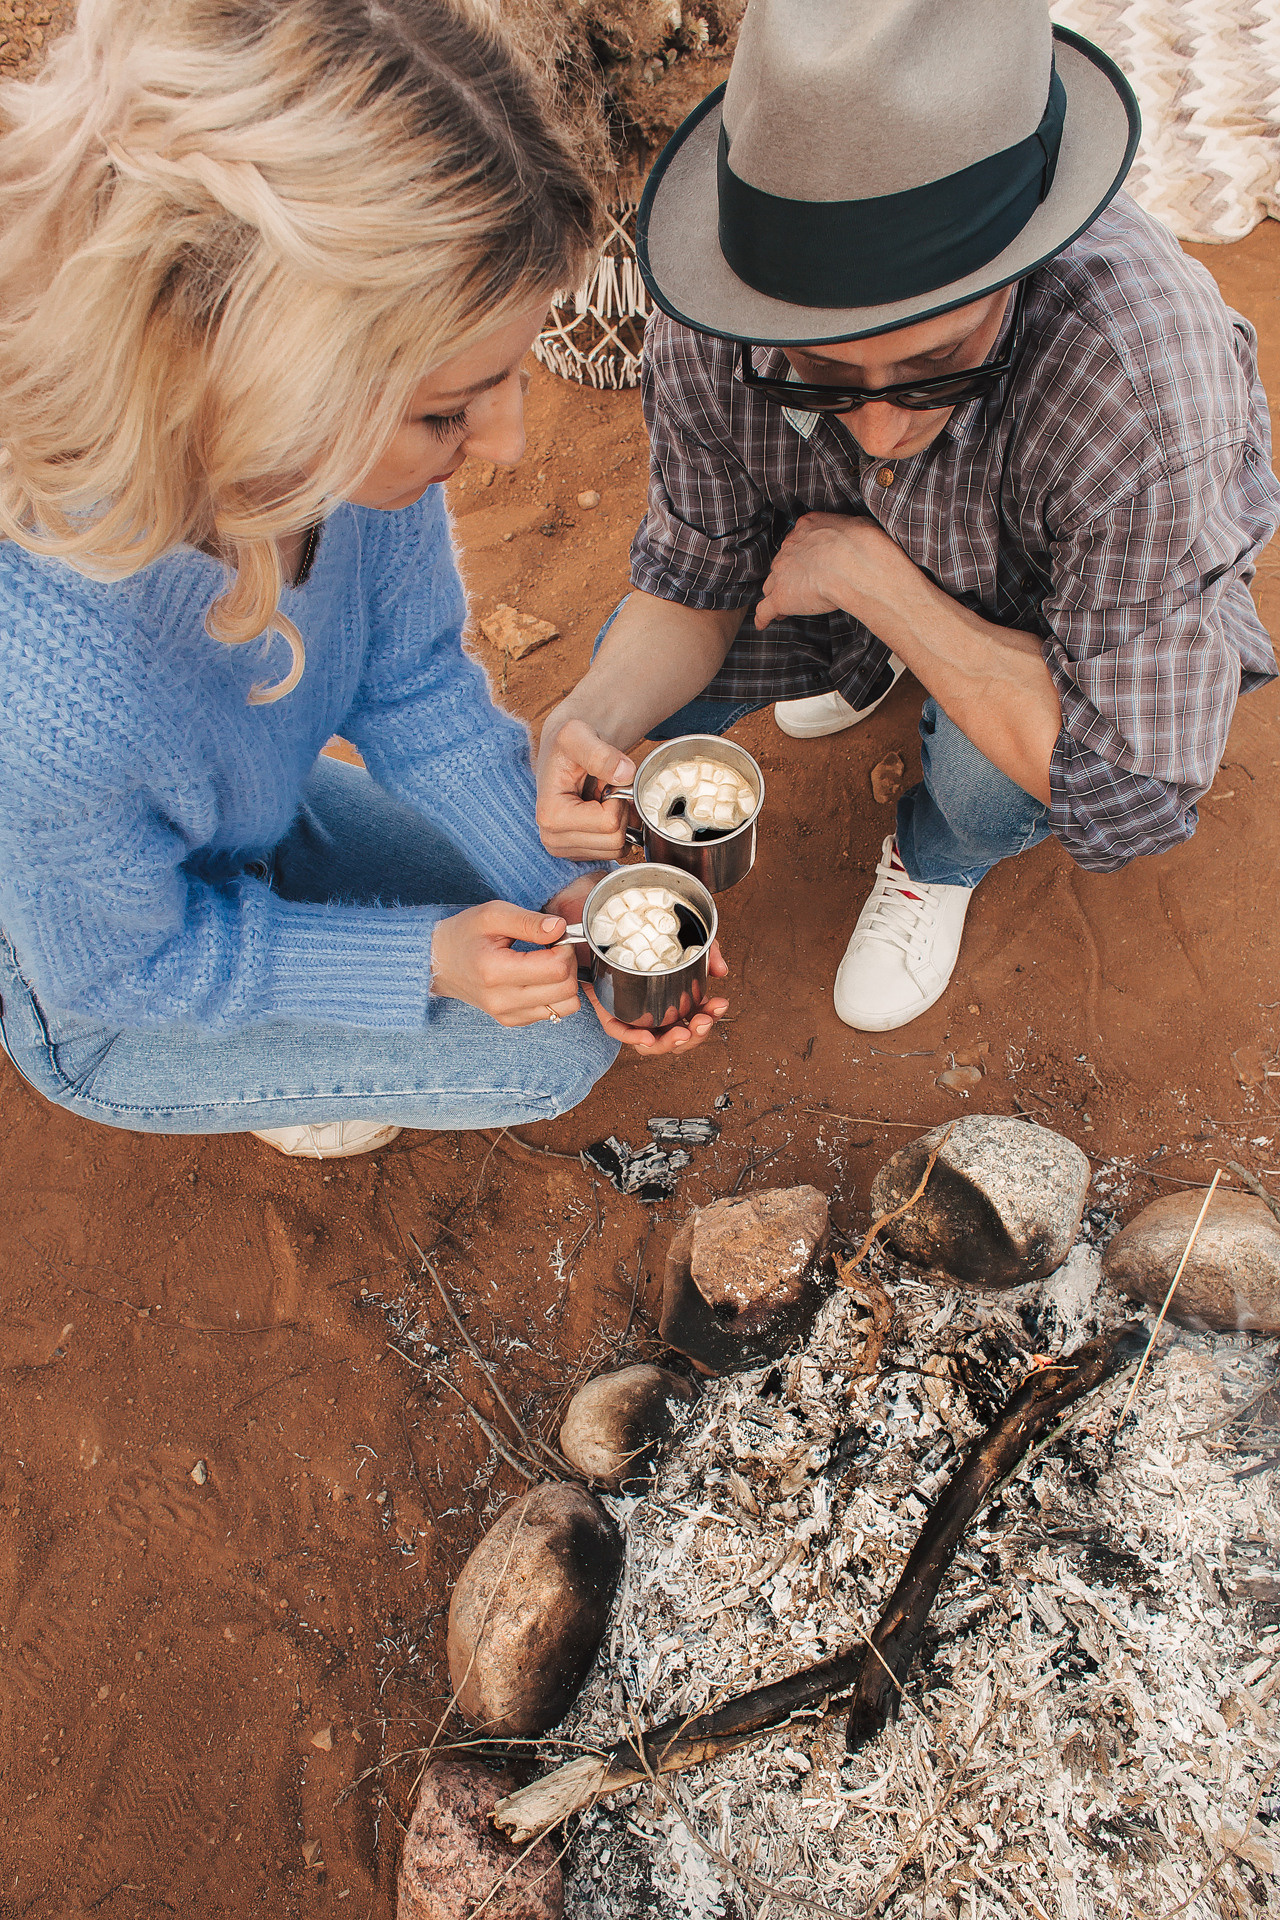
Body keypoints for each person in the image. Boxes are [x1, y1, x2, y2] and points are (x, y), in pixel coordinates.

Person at [0, 0, 727, 1161]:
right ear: (263, 377)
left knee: (569, 962)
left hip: (243, 822)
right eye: (446, 409)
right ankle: (265, 1076)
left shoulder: (329, 462)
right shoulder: (54, 688)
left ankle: (310, 981)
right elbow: (115, 970)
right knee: (549, 1049)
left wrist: (569, 892)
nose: (502, 445)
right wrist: (414, 965)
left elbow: (414, 691)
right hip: (102, 980)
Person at [535, 0, 1280, 1033]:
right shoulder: (719, 320)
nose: (879, 433)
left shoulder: (1139, 382)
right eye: (823, 376)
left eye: (935, 369)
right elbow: (697, 574)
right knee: (639, 701)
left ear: (1020, 264)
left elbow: (1127, 778)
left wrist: (872, 582)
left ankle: (935, 859)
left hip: (1024, 604)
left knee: (982, 780)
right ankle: (876, 643)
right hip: (817, 552)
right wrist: (591, 717)